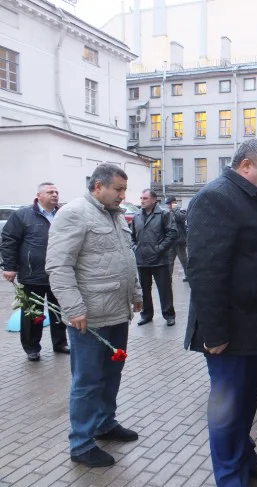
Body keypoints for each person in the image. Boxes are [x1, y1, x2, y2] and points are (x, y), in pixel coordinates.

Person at [185, 138, 257, 486]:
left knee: (244, 406)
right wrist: (214, 334)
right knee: (227, 412)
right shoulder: (216, 197)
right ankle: (231, 478)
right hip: (228, 333)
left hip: (253, 328)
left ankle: (245, 459)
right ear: (246, 166)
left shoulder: (251, 198)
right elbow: (204, 272)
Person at [46, 164, 143, 468]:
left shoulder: (116, 217)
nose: (123, 196)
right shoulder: (74, 213)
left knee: (112, 374)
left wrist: (137, 293)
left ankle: (105, 423)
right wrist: (74, 308)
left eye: (125, 190)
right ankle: (81, 444)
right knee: (87, 382)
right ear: (98, 187)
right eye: (118, 189)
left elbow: (128, 259)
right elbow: (58, 266)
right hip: (89, 318)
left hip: (117, 313)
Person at [0, 182, 69, 361]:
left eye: (56, 192)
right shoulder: (22, 215)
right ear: (39, 195)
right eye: (50, 192)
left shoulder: (63, 215)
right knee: (32, 313)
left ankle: (60, 343)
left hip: (59, 273)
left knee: (59, 311)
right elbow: (9, 241)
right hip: (32, 274)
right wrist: (9, 267)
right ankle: (32, 348)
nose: (55, 195)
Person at [131, 189, 178, 326]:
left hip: (160, 260)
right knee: (144, 289)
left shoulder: (164, 214)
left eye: (145, 198)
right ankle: (146, 315)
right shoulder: (137, 215)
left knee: (165, 289)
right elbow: (131, 236)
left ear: (153, 200)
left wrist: (159, 249)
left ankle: (169, 315)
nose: (142, 201)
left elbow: (172, 234)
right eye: (141, 198)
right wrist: (135, 248)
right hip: (142, 259)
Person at [164, 195, 188, 282]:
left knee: (183, 260)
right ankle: (168, 278)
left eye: (169, 204)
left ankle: (188, 276)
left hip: (180, 240)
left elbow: (180, 218)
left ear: (173, 203)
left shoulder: (181, 210)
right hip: (171, 241)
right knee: (170, 260)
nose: (168, 206)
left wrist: (175, 208)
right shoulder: (168, 212)